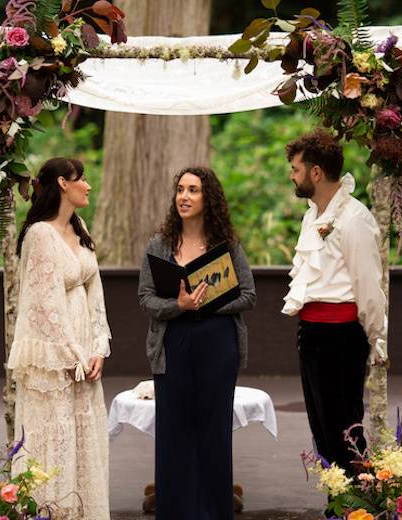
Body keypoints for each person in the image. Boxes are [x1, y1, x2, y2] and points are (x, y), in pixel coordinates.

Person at [138, 166, 256, 520]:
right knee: (173, 431)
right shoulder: (159, 244)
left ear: (209, 199)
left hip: (218, 344)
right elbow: (145, 299)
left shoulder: (227, 246)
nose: (184, 196)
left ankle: (214, 513)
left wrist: (208, 301)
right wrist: (179, 305)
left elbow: (248, 295)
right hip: (173, 343)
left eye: (193, 190)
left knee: (213, 431)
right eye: (180, 189)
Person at [8, 157, 111, 519]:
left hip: (85, 355)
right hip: (56, 360)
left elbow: (95, 291)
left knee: (84, 438)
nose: (88, 185)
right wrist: (72, 356)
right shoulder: (39, 235)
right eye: (81, 179)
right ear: (63, 185)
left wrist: (98, 348)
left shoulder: (79, 226)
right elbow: (44, 307)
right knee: (55, 440)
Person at [282, 129, 387, 476]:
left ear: (315, 172)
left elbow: (368, 285)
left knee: (345, 431)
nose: (291, 175)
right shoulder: (312, 215)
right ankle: (338, 505)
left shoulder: (355, 219)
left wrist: (376, 337)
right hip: (311, 333)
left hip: (341, 337)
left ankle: (359, 505)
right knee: (322, 432)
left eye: (296, 169)